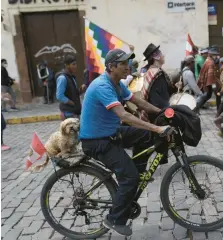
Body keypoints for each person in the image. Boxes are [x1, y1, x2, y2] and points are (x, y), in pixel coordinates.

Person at [80, 49, 173, 236]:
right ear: (111, 67)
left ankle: (138, 173)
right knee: (129, 177)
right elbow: (124, 116)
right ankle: (114, 219)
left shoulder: (117, 84)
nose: (127, 66)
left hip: (111, 132)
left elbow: (139, 102)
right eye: (123, 64)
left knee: (145, 136)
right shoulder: (103, 86)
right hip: (97, 141)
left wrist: (162, 112)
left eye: (127, 63)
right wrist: (156, 128)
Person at [140, 43, 180, 122]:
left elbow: (164, 92)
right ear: (156, 56)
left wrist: (176, 87)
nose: (163, 56)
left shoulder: (152, 72)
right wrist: (171, 111)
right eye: (161, 54)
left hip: (158, 113)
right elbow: (157, 101)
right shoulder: (156, 74)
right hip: (159, 115)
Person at [56, 55, 81, 120]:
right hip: (68, 114)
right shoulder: (62, 78)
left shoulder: (71, 77)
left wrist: (81, 89)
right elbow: (59, 96)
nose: (75, 66)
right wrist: (71, 102)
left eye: (76, 64)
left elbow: (74, 93)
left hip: (75, 112)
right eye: (73, 64)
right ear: (66, 65)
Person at [195, 48, 220, 113]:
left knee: (208, 95)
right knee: (211, 95)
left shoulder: (207, 60)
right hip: (208, 81)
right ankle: (196, 108)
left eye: (216, 55)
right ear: (211, 55)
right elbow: (210, 75)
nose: (216, 56)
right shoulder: (210, 62)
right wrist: (213, 85)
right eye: (214, 55)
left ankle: (197, 108)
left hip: (205, 80)